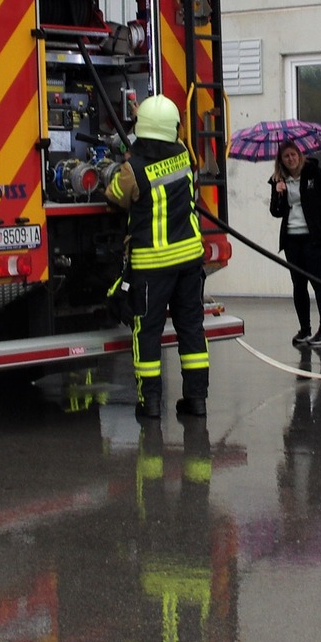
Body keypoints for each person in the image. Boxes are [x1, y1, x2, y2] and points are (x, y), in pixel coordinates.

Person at [107, 93, 209, 418]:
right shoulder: (183, 156)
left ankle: (149, 403)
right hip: (190, 260)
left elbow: (116, 197)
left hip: (154, 265)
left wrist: (120, 164)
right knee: (191, 327)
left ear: (142, 128)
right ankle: (196, 400)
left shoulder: (132, 170)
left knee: (148, 332)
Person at [268, 139, 321, 348]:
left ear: (299, 155)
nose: (290, 159)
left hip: (314, 238)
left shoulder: (314, 174)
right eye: (286, 156)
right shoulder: (277, 180)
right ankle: (305, 329)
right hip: (292, 239)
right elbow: (276, 211)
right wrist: (279, 194)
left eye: (293, 155)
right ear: (280, 159)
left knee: (319, 283)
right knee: (299, 285)